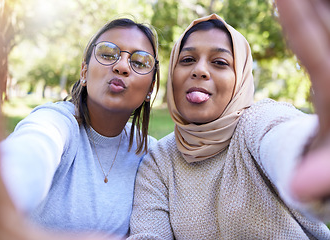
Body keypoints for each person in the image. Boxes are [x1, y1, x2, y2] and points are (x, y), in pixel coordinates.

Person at [128, 1, 330, 239]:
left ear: (240, 79)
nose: (200, 70)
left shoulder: (256, 123)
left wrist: (313, 148)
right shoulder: (159, 162)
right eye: (187, 60)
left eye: (220, 62)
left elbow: (283, 138)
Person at [0, 17, 159, 238]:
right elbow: (29, 152)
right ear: (84, 72)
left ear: (150, 88)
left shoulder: (151, 154)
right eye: (107, 53)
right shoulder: (56, 123)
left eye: (140, 62)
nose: (121, 66)